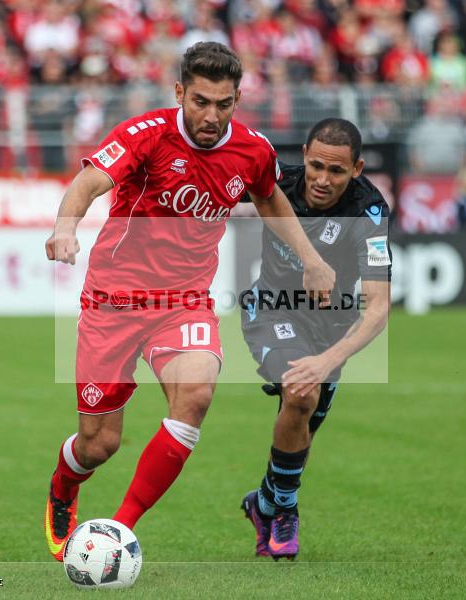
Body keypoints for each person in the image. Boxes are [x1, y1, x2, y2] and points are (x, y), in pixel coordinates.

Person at [42, 42, 335, 561]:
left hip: (184, 302)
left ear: (237, 99)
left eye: (224, 104)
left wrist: (311, 257)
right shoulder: (145, 135)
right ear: (180, 93)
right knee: (99, 443)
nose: (211, 115)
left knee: (195, 396)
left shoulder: (251, 149)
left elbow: (269, 196)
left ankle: (118, 528)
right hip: (113, 301)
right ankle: (65, 484)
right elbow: (89, 181)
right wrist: (65, 229)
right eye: (200, 101)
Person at [239, 118, 391, 560]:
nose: (323, 180)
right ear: (303, 155)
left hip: (332, 329)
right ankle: (285, 512)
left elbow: (378, 307)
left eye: (337, 171)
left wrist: (329, 360)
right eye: (316, 166)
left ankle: (264, 503)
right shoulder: (277, 179)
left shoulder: (369, 213)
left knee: (301, 427)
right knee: (300, 392)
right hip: (272, 308)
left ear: (357, 169)